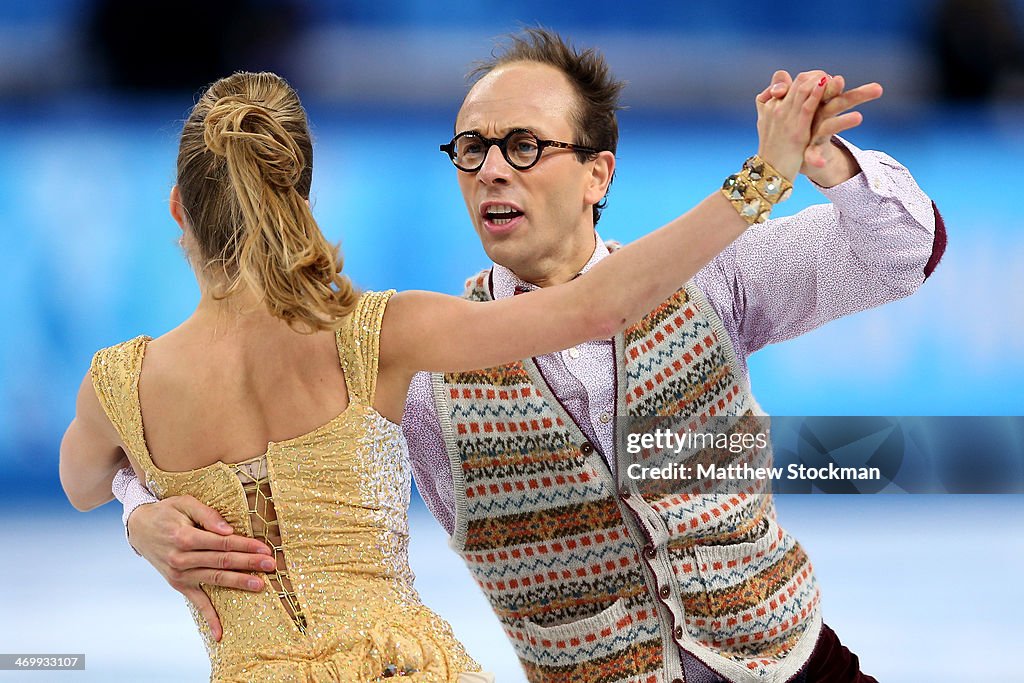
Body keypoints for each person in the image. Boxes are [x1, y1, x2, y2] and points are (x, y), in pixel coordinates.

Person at [112, 31, 944, 683]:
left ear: (596, 174)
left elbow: (907, 252)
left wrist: (828, 165)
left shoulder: (713, 276)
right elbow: (221, 414)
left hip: (795, 666)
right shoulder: (420, 364)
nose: (489, 171)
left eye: (522, 145)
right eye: (471, 149)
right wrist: (137, 509)